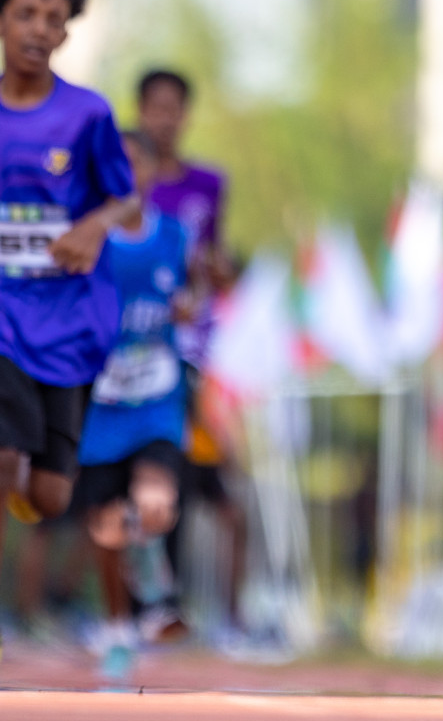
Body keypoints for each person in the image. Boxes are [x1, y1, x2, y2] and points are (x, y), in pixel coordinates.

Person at [0, 0, 138, 659]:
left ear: (65, 34)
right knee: (4, 453)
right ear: (2, 19)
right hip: (3, 320)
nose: (37, 27)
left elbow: (127, 195)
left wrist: (91, 226)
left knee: (49, 496)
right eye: (25, 12)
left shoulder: (87, 115)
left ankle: (30, 485)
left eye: (53, 18)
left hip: (71, 325)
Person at [73, 129, 193, 677]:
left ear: (150, 172)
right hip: (101, 402)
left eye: (136, 163)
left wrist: (190, 306)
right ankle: (121, 625)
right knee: (106, 528)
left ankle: (150, 575)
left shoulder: (173, 235)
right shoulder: (88, 241)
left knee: (155, 503)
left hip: (157, 399)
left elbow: (187, 296)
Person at [136, 68, 246, 639]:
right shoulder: (123, 184)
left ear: (186, 114)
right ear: (140, 111)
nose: (165, 118)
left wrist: (217, 273)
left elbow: (220, 265)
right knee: (156, 482)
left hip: (196, 357)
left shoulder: (207, 184)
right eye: (155, 106)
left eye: (174, 107)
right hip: (137, 358)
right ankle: (149, 605)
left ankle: (219, 614)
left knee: (207, 485)